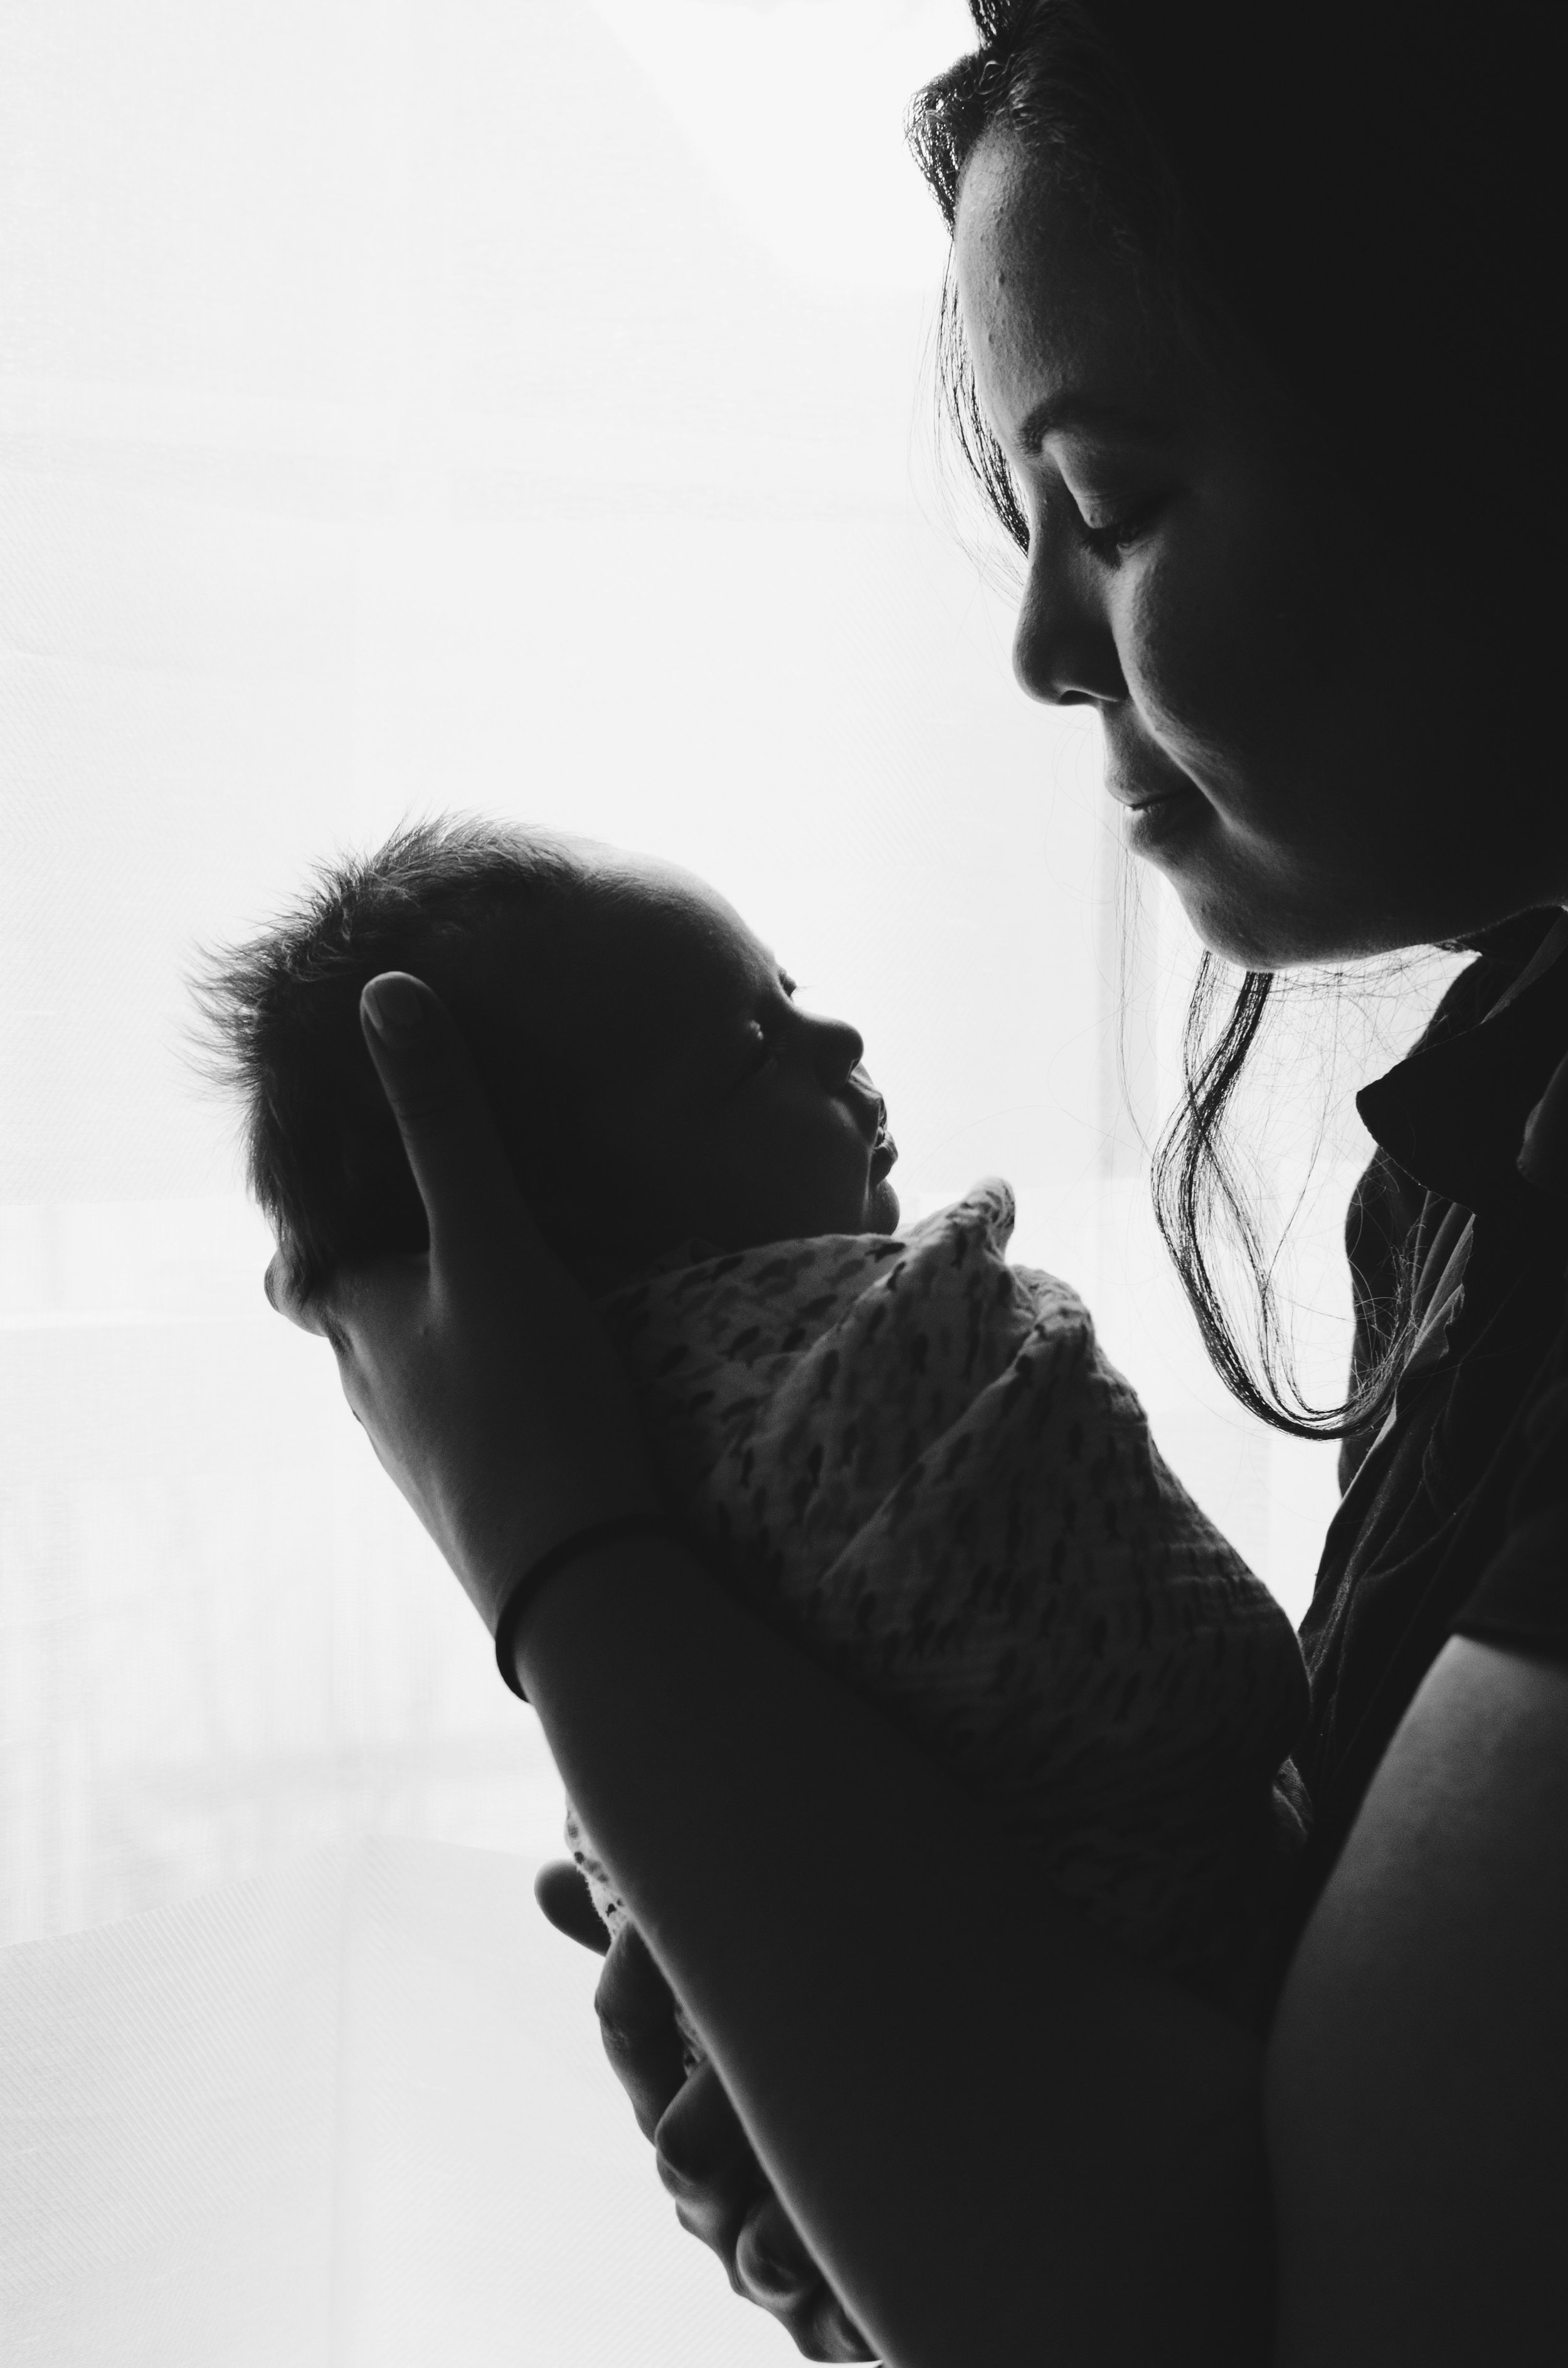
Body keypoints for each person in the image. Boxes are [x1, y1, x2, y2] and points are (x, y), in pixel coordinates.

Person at [268, 3, 1568, 2361]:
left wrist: (568, 1564)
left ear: (1490, 415)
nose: (1047, 639)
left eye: (1120, 498)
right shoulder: (1488, 1153)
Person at [203, 817, 1308, 2041]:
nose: (836, 1042)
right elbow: (1209, 1669)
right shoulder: (879, 1370)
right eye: (748, 1054)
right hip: (1170, 2004)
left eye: (790, 997)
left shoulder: (577, 1467)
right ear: (561, 1231)